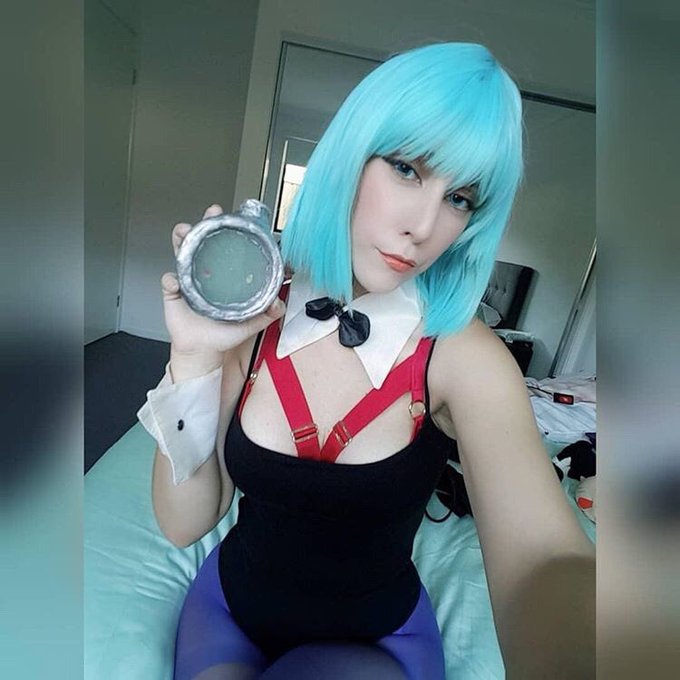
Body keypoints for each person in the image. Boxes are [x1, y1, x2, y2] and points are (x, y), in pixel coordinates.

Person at [140, 42, 595, 680]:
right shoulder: (256, 311)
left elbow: (545, 558)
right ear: (351, 156)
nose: (425, 226)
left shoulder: (466, 359)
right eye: (407, 168)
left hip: (375, 641)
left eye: (460, 198)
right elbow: (184, 523)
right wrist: (191, 355)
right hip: (230, 611)